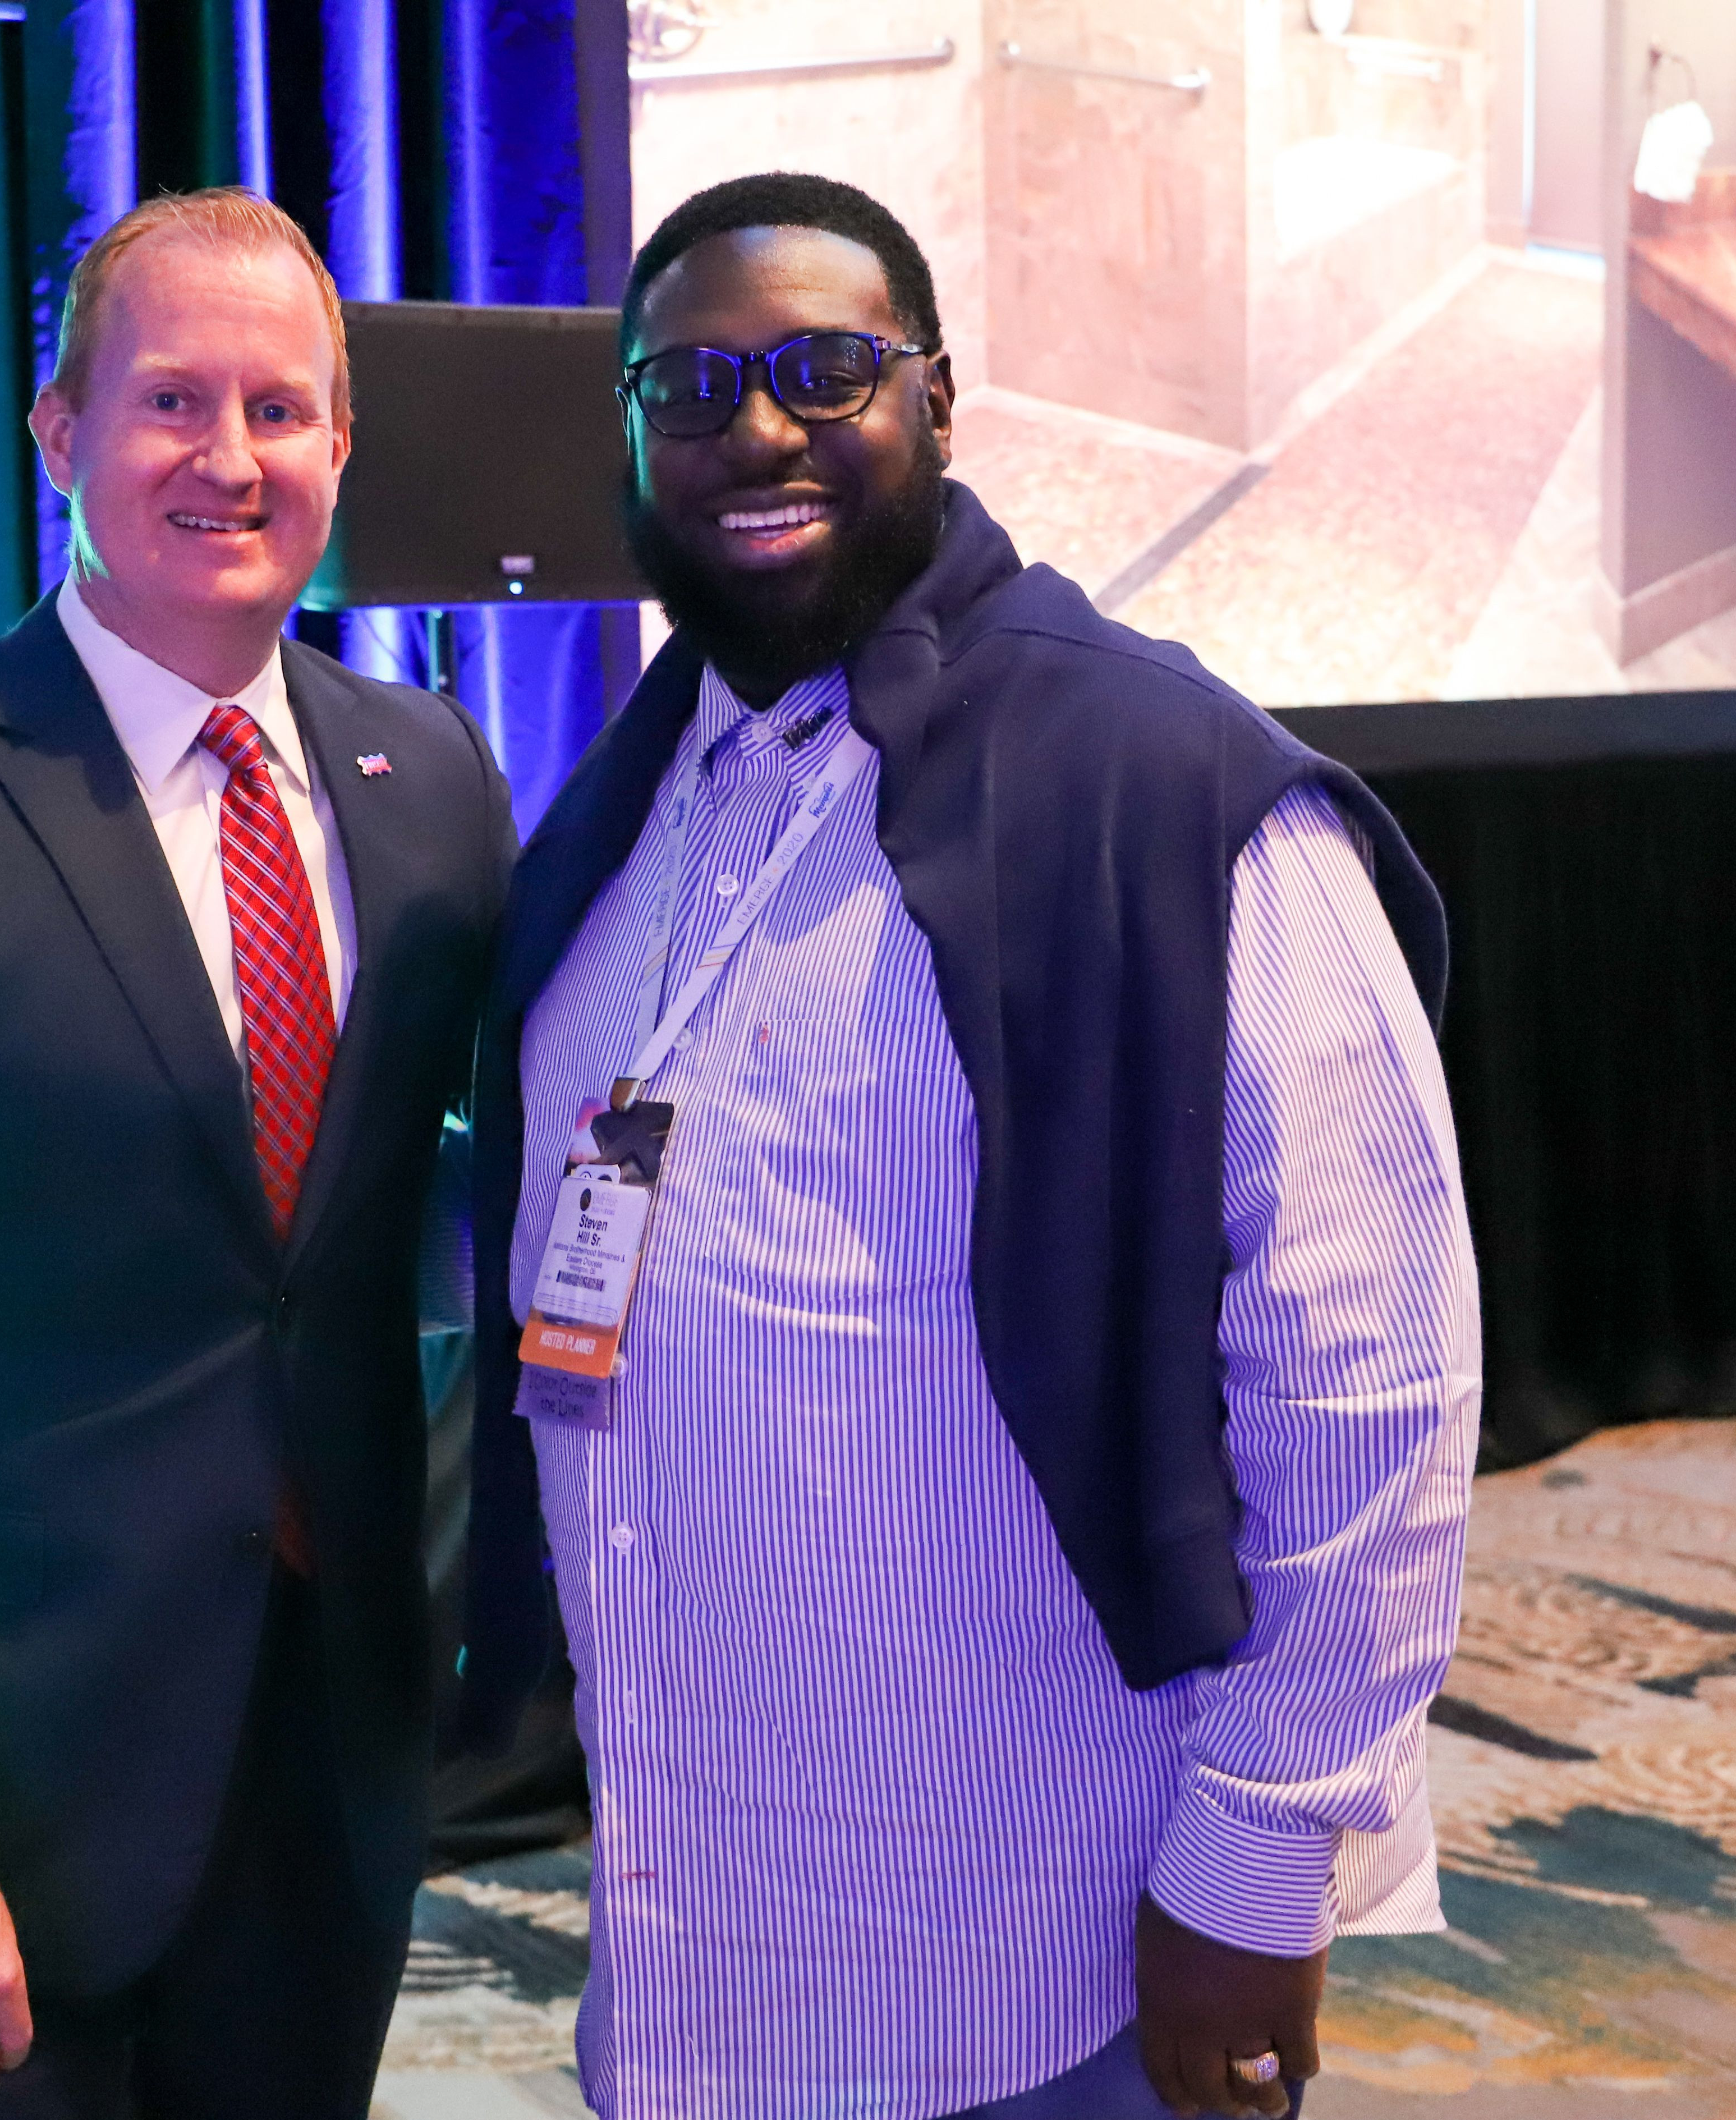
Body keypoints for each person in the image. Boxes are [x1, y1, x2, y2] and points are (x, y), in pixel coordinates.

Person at [458, 172, 1481, 2119]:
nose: (754, 427)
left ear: (939, 399)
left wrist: (1259, 1862)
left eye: (823, 370)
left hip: (1037, 1971)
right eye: (689, 386)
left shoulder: (1169, 790)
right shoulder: (633, 790)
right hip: (698, 1938)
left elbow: (1374, 1373)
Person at [0, 187, 515, 2117]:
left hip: (324, 1783)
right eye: (169, 403)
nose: (229, 460)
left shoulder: (437, 784)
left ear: (340, 444)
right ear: (61, 434)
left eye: (282, 409)